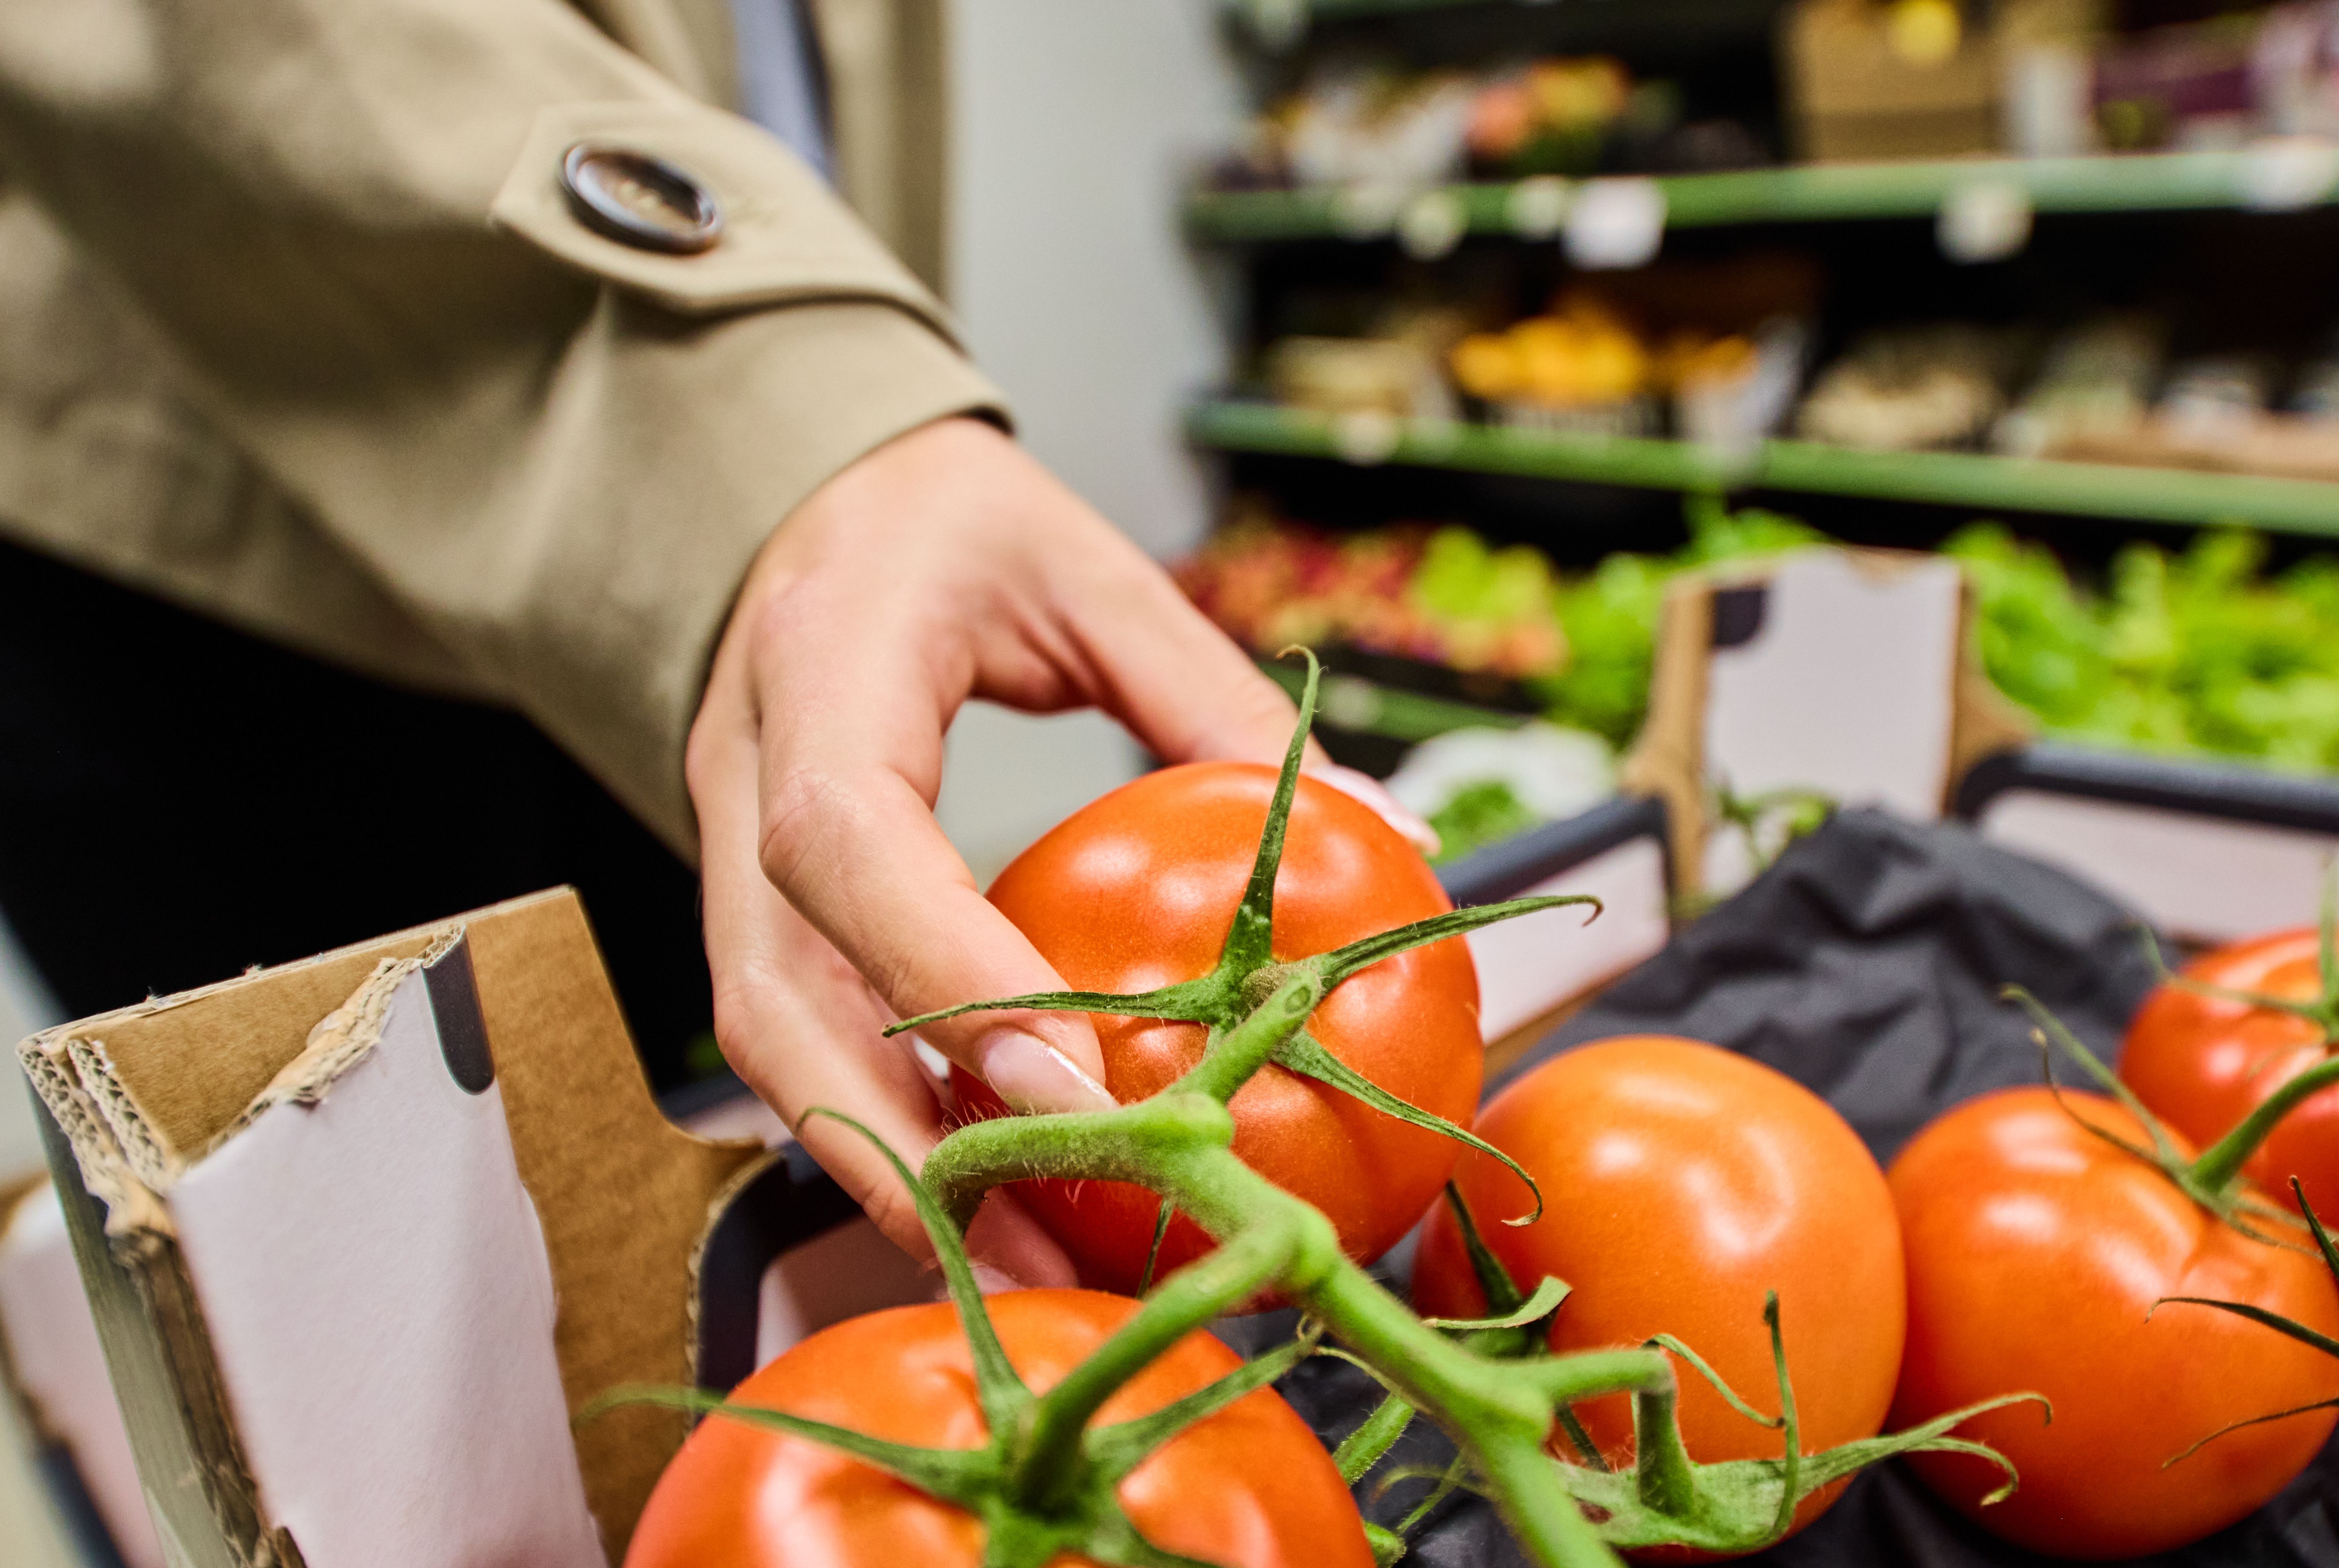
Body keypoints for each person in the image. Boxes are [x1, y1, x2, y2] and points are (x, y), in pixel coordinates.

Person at [0, 1, 1373, 1287]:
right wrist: (789, 415)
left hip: (695, 527)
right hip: (242, 565)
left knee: (719, 1185)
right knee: (394, 1318)